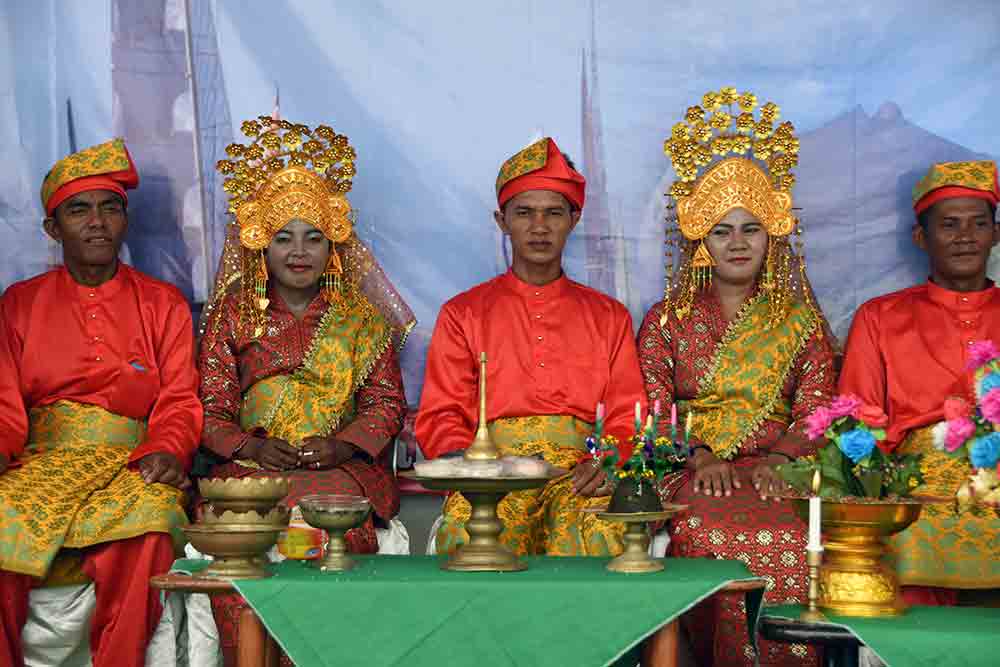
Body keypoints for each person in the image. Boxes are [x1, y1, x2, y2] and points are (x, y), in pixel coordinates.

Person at [197, 115, 414, 664]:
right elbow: (210, 407)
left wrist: (342, 446)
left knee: (334, 532)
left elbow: (387, 405)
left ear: (333, 245)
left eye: (314, 237)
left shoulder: (361, 318)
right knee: (242, 549)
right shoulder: (233, 312)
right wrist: (250, 447)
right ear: (259, 244)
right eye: (283, 237)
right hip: (250, 475)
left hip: (336, 470)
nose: (299, 251)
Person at [638, 88, 836, 666]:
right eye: (722, 230)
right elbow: (653, 406)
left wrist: (782, 459)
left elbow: (818, 405)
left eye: (751, 228)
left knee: (801, 537)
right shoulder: (667, 320)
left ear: (771, 236)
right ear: (701, 240)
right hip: (696, 471)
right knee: (705, 533)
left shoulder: (800, 321)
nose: (738, 243)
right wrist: (698, 455)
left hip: (781, 468)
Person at [0, 138, 202, 667]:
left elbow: (180, 400)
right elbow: (3, 408)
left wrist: (168, 449)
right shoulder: (19, 304)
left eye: (110, 208)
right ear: (52, 229)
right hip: (40, 463)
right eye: (79, 210)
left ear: (125, 221)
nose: (97, 222)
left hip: (130, 464)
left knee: (152, 525)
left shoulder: (162, 303)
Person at [415, 137, 646, 556]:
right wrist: (477, 471)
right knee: (474, 534)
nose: (539, 226)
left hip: (581, 474)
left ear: (574, 219)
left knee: (598, 531)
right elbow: (442, 413)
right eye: (524, 213)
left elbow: (627, 415)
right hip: (492, 476)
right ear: (502, 220)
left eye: (553, 213)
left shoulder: (609, 316)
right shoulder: (463, 313)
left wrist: (607, 462)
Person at [838, 160, 1000, 605]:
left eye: (978, 224)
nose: (965, 237)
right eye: (949, 225)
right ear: (920, 238)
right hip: (918, 475)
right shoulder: (880, 317)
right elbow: (856, 418)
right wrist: (878, 483)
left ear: (996, 233)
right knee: (907, 529)